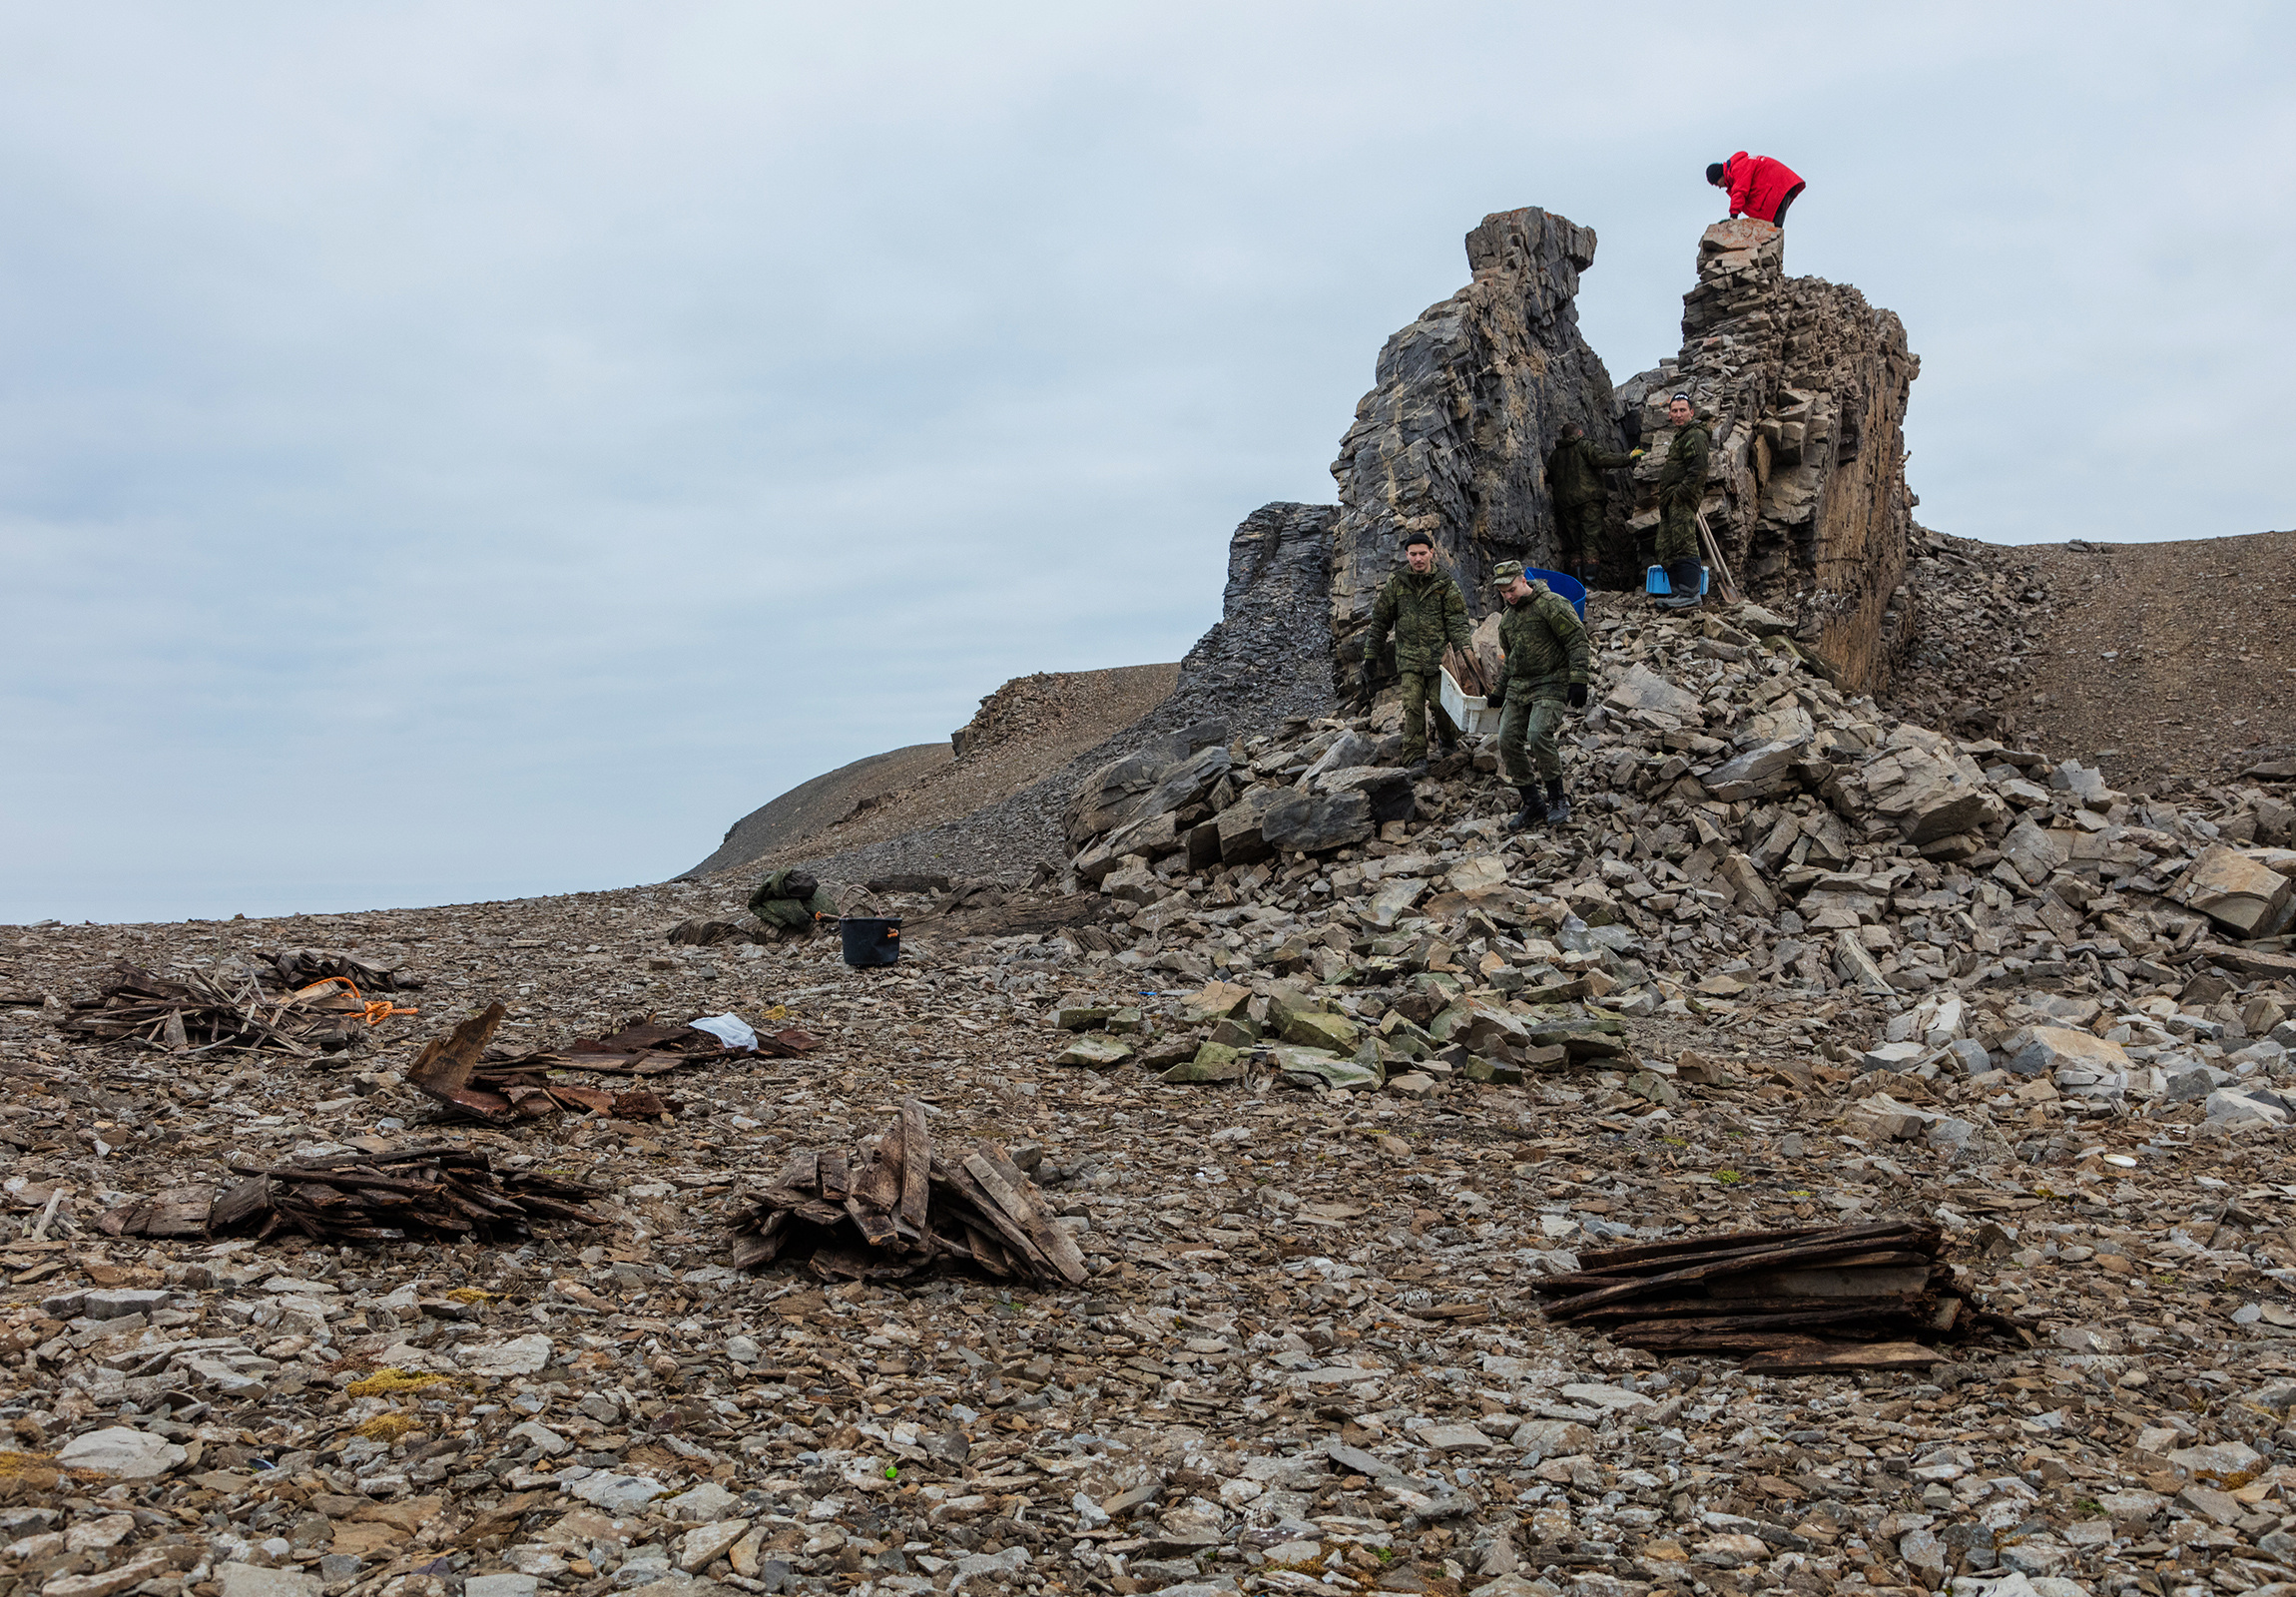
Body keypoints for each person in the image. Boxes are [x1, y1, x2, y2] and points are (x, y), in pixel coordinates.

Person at [1483, 560, 1589, 830]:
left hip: (1551, 682)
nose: (1508, 596)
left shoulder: (1552, 604)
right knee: (1506, 740)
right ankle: (1532, 802)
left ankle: (1557, 799)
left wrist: (1578, 680)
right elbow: (1512, 660)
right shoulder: (1508, 619)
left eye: (1511, 589)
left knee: (1539, 734)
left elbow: (1576, 639)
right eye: (1503, 592)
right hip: (1520, 687)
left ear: (1522, 580)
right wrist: (1499, 691)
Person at [1362, 531, 1473, 776]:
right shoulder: (1397, 584)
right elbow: (1380, 620)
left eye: (1423, 553)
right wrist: (1371, 655)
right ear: (1406, 556)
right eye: (1413, 554)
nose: (1418, 558)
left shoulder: (1445, 584)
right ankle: (1416, 758)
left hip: (1439, 660)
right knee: (1412, 707)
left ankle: (1448, 739)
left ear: (1432, 553)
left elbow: (1457, 622)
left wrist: (1466, 655)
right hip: (1409, 659)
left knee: (1440, 704)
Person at [1545, 421, 1643, 584]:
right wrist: (1628, 456)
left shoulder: (1555, 455)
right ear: (1580, 433)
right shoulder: (1585, 446)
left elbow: (1548, 477)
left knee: (1575, 544)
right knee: (1590, 540)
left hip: (1565, 505)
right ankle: (1590, 585)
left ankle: (1577, 584)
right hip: (1589, 501)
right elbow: (1603, 458)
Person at [1652, 392, 1710, 610]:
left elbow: (1699, 470)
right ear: (1669, 414)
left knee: (1684, 542)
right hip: (1670, 501)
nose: (1678, 414)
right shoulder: (1681, 436)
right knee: (1665, 545)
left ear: (1691, 412)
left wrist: (1680, 495)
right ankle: (1677, 593)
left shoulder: (1695, 435)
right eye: (1674, 411)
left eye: (1682, 410)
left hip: (1681, 500)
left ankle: (1690, 593)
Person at [1707, 152, 1805, 227]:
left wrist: (1733, 218)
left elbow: (1740, 192)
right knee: (1773, 228)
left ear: (1720, 176)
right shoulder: (1739, 166)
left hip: (1779, 186)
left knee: (1774, 230)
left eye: (1716, 184)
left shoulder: (1738, 168)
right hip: (1780, 185)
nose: (1719, 187)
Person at [749, 867, 836, 936]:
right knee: (801, 918)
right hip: (773, 899)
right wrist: (777, 921)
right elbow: (752, 904)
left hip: (791, 892)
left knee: (830, 911)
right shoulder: (766, 889)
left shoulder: (800, 881)